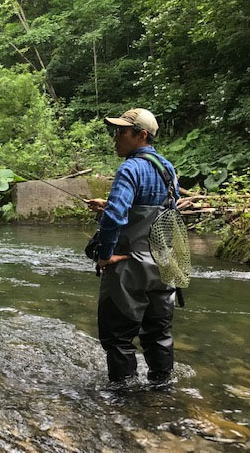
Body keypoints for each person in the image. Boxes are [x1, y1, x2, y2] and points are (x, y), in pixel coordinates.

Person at [86, 108, 179, 385]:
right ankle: (162, 389)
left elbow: (115, 218)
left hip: (129, 267)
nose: (115, 138)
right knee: (159, 334)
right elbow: (165, 212)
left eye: (121, 132)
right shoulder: (167, 168)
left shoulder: (129, 168)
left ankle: (123, 396)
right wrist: (109, 203)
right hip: (164, 265)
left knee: (118, 337)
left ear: (141, 135)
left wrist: (104, 256)